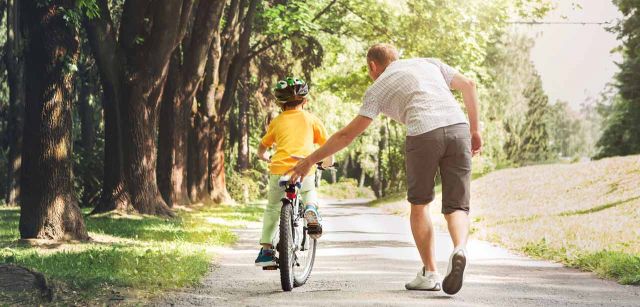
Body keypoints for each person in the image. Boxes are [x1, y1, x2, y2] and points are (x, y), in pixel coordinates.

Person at [285, 44, 482, 295]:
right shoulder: (429, 62)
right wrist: (475, 130)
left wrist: (309, 160)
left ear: (372, 66)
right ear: (397, 58)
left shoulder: (377, 88)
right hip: (457, 127)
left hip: (423, 133)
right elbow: (469, 85)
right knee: (457, 206)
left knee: (420, 204)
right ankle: (459, 248)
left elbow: (346, 135)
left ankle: (430, 272)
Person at [254, 77, 334, 267]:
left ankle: (266, 250)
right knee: (308, 191)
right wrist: (327, 163)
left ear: (280, 103)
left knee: (273, 207)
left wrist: (263, 156)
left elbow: (263, 145)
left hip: (279, 169)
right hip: (305, 167)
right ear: (305, 101)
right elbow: (327, 146)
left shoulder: (277, 122)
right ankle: (311, 209)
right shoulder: (312, 119)